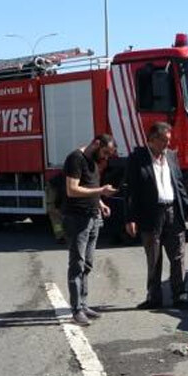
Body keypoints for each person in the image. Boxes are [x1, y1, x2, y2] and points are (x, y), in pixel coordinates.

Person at [125, 122, 188, 310]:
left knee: (178, 256)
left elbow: (179, 185)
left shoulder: (172, 157)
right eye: (164, 141)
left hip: (173, 212)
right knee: (154, 257)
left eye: (169, 140)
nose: (167, 144)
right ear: (151, 140)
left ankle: (180, 295)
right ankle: (154, 297)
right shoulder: (137, 159)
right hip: (151, 215)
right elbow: (131, 191)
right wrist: (130, 218)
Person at [62, 134, 118, 326]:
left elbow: (90, 186)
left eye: (109, 154)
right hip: (77, 218)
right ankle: (76, 310)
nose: (106, 157)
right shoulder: (75, 159)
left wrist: (100, 203)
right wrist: (101, 191)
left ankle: (83, 305)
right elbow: (72, 189)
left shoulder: (94, 161)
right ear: (96, 144)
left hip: (93, 216)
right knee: (77, 264)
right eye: (105, 152)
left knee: (87, 264)